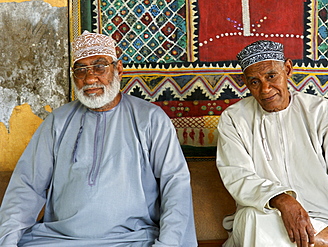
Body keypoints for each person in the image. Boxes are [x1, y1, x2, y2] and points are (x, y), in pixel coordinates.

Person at [0, 31, 197, 247]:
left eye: (99, 66)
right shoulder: (58, 121)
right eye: (81, 70)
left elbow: (175, 184)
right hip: (60, 240)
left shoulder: (150, 119)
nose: (90, 78)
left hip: (133, 239)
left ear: (118, 69)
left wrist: (167, 244)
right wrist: (7, 241)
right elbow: (27, 185)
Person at [216, 40, 328, 247]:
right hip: (266, 218)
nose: (265, 89)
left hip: (326, 221)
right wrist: (282, 199)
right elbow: (237, 176)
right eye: (254, 82)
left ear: (287, 69)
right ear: (245, 83)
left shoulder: (321, 111)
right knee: (254, 217)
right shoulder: (234, 119)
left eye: (271, 76)